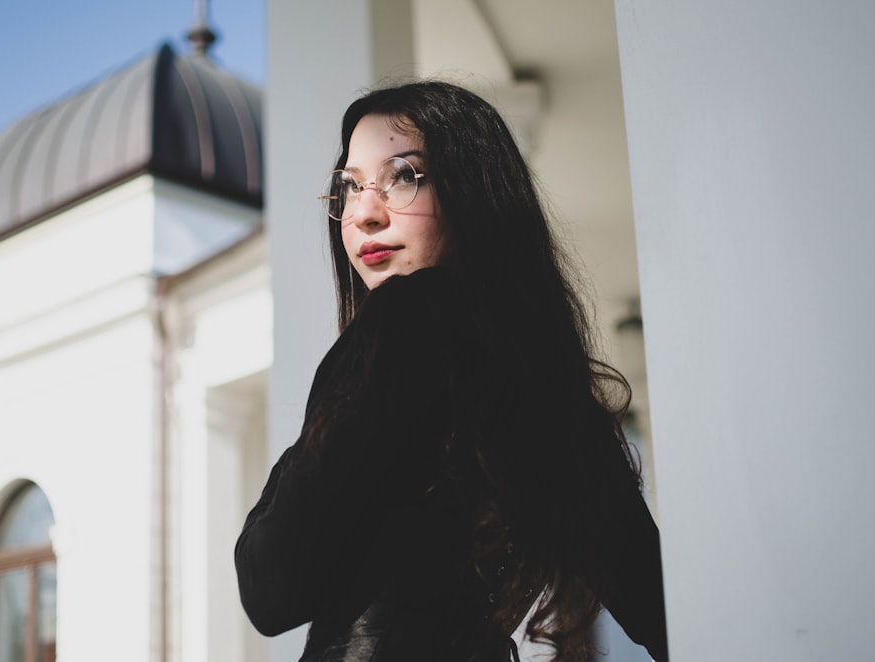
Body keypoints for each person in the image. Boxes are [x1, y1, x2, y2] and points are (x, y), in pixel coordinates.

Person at [235, 81, 669, 662]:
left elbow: (271, 587)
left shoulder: (403, 318)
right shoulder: (549, 386)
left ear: (473, 191)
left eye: (404, 176)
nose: (364, 212)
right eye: (351, 186)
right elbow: (662, 604)